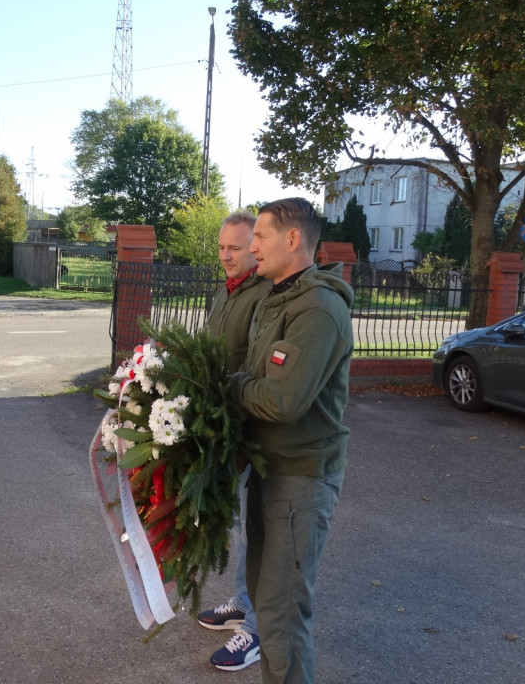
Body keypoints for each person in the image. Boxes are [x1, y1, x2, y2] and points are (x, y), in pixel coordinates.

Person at [228, 197, 354, 684]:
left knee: (281, 618)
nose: (252, 247)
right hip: (270, 469)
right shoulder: (276, 297)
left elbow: (282, 400)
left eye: (261, 237)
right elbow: (257, 375)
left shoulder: (318, 308)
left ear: (294, 239)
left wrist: (228, 388)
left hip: (300, 479)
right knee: (266, 603)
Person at [197, 209, 267, 672]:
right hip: (221, 426)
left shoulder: (263, 295)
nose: (226, 255)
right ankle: (242, 602)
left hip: (248, 430)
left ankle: (257, 629)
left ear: (255, 250)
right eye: (222, 248)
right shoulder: (227, 291)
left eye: (235, 248)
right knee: (241, 523)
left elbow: (254, 366)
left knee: (259, 532)